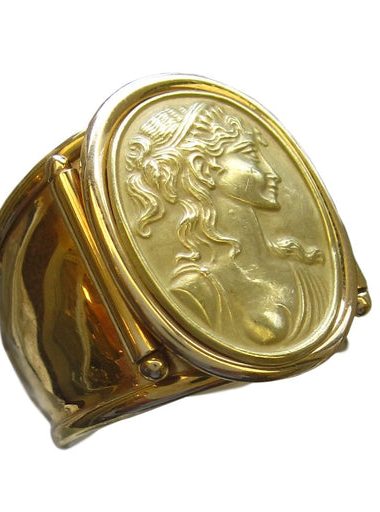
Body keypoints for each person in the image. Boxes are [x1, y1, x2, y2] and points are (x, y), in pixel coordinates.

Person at [125, 102, 327, 347]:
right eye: (251, 155)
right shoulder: (195, 293)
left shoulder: (305, 272)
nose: (273, 173)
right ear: (202, 168)